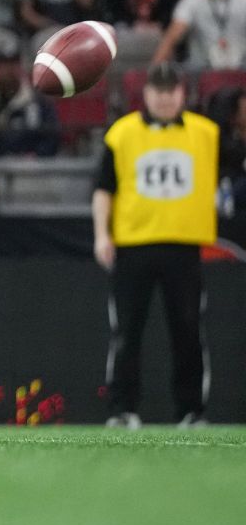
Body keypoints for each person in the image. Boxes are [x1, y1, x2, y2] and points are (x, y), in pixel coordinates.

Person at [93, 62, 218, 428]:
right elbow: (104, 188)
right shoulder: (122, 134)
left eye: (171, 90)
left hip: (184, 244)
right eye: (158, 90)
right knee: (127, 331)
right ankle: (122, 409)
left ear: (182, 93)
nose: (165, 98)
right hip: (134, 244)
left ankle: (192, 411)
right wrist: (103, 234)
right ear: (146, 93)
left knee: (189, 329)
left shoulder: (206, 133)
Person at [0, 44, 60, 157]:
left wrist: (37, 156)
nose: (9, 70)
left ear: (20, 68)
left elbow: (52, 136)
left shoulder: (39, 102)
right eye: (4, 65)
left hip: (31, 169)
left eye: (13, 65)